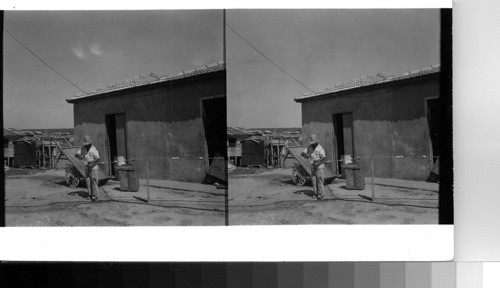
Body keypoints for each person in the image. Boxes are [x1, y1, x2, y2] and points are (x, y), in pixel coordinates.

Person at [301, 134, 326, 200]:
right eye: (312, 143)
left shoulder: (320, 148)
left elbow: (323, 157)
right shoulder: (309, 147)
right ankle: (315, 193)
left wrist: (318, 160)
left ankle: (321, 194)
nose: (312, 144)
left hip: (319, 167)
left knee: (320, 180)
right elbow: (302, 153)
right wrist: (306, 155)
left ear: (316, 142)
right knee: (314, 180)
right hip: (312, 167)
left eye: (313, 143)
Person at [75, 135, 100, 201]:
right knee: (88, 182)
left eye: (88, 144)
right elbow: (76, 154)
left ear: (90, 143)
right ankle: (90, 194)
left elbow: (97, 158)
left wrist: (92, 161)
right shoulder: (83, 148)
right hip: (86, 168)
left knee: (94, 181)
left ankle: (95, 195)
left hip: (93, 168)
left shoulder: (94, 148)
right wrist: (79, 156)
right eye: (85, 144)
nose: (86, 145)